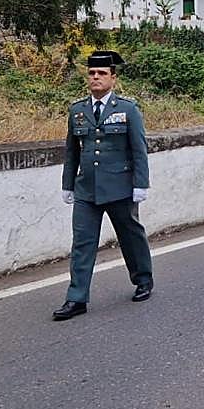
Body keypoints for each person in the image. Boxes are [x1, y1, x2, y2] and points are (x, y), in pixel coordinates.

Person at [53, 50, 153, 321]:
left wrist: (140, 184)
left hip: (120, 187)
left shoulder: (127, 109)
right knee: (82, 243)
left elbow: (138, 149)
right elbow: (72, 150)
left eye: (102, 74)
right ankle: (76, 298)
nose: (95, 78)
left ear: (113, 78)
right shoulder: (78, 110)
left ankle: (143, 278)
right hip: (86, 188)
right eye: (92, 74)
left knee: (130, 236)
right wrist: (68, 184)